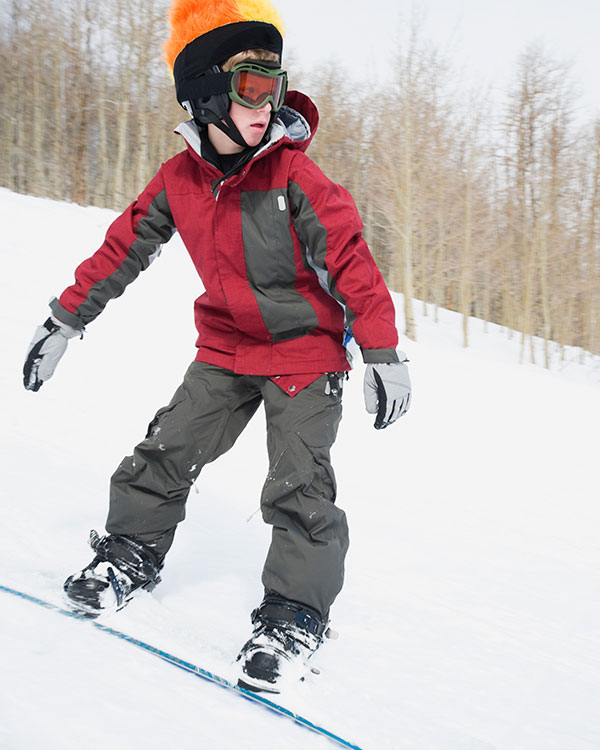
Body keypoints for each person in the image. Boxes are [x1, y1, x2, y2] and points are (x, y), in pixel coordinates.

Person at [22, 0, 411, 693]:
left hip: (303, 356)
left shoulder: (297, 178)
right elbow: (123, 249)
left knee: (299, 486)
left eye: (274, 84)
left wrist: (382, 352)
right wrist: (65, 319)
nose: (267, 103)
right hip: (226, 349)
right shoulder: (180, 180)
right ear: (205, 94)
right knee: (166, 448)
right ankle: (129, 554)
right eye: (250, 86)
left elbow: (353, 262)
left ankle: (293, 616)